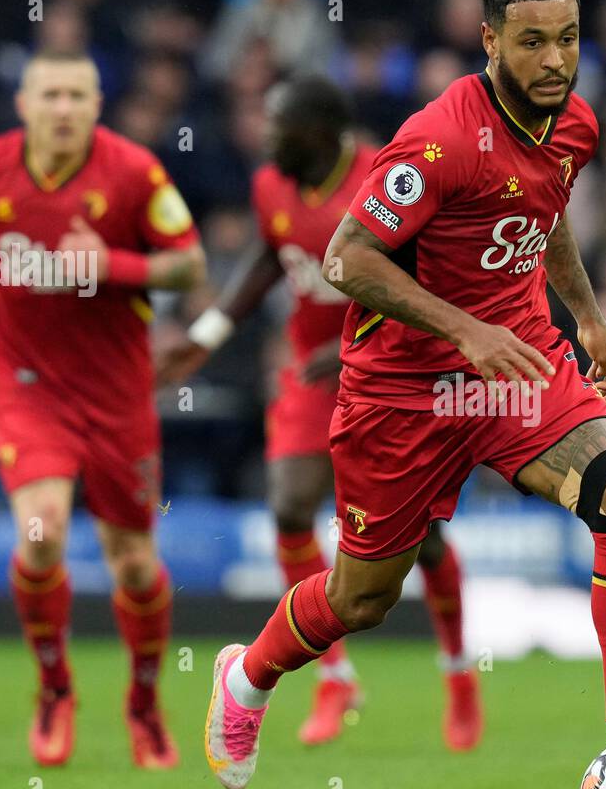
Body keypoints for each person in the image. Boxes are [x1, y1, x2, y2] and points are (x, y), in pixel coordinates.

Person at [202, 0, 606, 789]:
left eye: (569, 40)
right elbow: (347, 258)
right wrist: (464, 329)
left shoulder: (577, 124)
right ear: (489, 40)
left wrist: (585, 315)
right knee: (361, 596)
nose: (555, 60)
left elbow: (540, 214)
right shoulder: (437, 140)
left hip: (518, 365)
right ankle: (247, 678)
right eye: (532, 43)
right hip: (403, 389)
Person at [157, 75, 480, 750]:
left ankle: (457, 672)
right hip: (312, 370)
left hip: (396, 365)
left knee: (422, 538)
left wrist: (356, 343)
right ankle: (334, 676)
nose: (267, 138)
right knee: (289, 502)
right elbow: (275, 256)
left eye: (279, 126)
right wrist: (207, 335)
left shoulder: (385, 177)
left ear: (326, 132)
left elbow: (431, 278)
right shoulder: (273, 184)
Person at [0, 49, 207, 768]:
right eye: (48, 93)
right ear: (22, 103)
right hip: (28, 385)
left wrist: (110, 265)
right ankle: (55, 689)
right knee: (42, 535)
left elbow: (189, 264)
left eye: (77, 94)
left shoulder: (135, 172)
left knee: (136, 565)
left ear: (96, 104)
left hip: (117, 393)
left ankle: (143, 706)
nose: (62, 107)